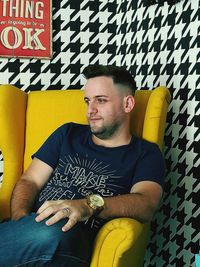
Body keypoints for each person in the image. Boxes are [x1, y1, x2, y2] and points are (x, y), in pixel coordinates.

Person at [0, 65, 165, 267]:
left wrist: (88, 205)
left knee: (55, 228)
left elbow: (146, 203)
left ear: (128, 103)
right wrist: (20, 223)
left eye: (101, 100)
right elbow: (30, 180)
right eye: (88, 101)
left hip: (69, 238)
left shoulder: (145, 153)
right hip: (30, 228)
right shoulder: (68, 133)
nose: (90, 110)